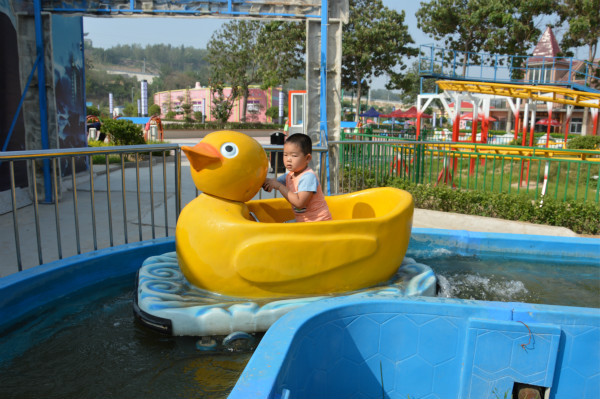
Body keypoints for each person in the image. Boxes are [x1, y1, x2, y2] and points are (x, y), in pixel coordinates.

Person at [263, 134, 332, 222]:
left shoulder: (308, 177)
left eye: (294, 155)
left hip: (318, 223)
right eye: (285, 155)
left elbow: (299, 203)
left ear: (307, 158)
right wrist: (261, 181)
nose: (288, 159)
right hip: (304, 222)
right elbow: (272, 182)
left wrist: (279, 186)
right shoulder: (290, 175)